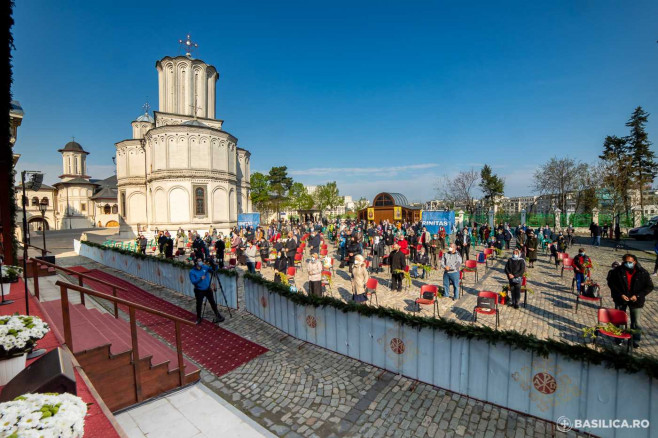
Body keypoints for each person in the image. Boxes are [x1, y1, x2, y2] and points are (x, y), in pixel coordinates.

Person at [607, 254, 653, 348]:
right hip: (621, 298)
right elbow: (611, 284)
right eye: (626, 262)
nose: (628, 264)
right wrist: (620, 294)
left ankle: (635, 340)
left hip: (636, 300)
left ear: (635, 261)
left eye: (630, 262)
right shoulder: (618, 271)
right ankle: (619, 338)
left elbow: (649, 286)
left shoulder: (642, 272)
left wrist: (638, 295)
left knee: (636, 322)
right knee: (619, 320)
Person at [189, 258, 224, 325]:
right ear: (196, 262)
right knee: (199, 304)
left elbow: (214, 271)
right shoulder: (192, 272)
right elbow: (193, 282)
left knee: (213, 302)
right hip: (199, 290)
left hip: (208, 289)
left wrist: (215, 265)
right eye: (199, 261)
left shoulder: (205, 267)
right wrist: (200, 278)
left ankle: (218, 315)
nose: (201, 262)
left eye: (201, 260)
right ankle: (198, 317)